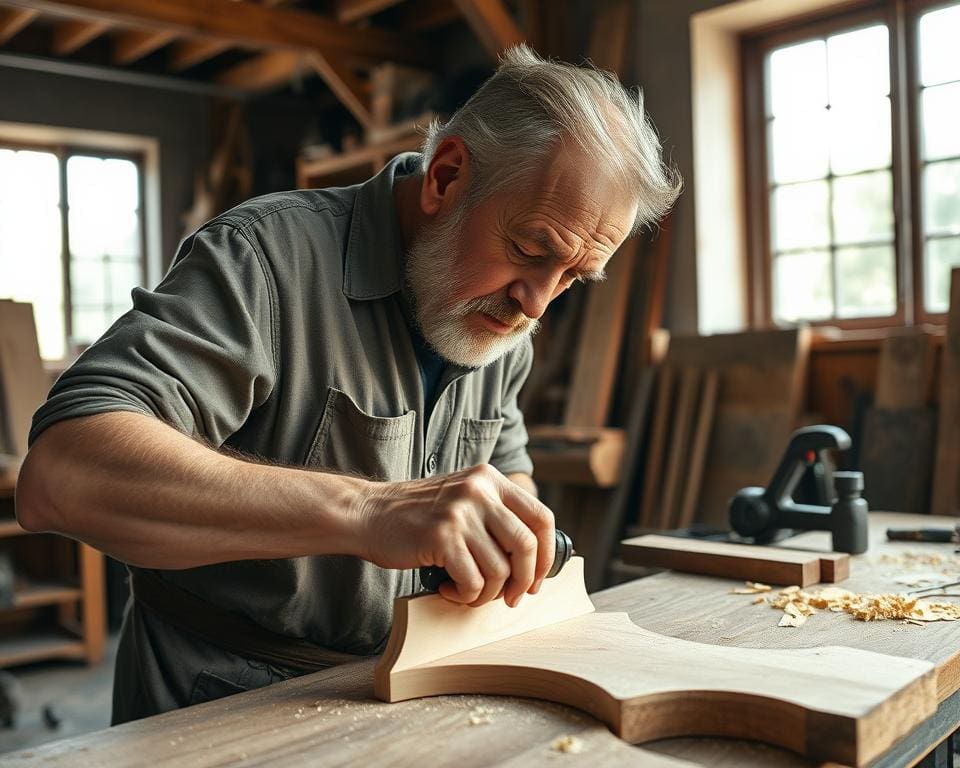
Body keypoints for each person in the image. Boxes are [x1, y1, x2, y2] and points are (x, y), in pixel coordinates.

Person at [15, 44, 680, 724]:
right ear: (447, 175)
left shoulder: (505, 317)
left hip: (412, 697)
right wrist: (369, 512)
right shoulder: (266, 259)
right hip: (217, 704)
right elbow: (63, 474)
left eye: (573, 276)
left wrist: (509, 539)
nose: (538, 302)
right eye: (530, 251)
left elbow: (508, 480)